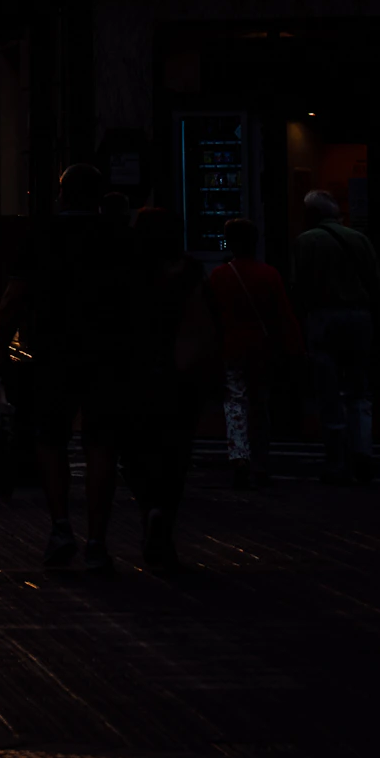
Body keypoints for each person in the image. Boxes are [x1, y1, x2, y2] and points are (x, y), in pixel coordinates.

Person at [0, 160, 134, 574]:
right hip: (107, 353)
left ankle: (60, 527)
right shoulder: (118, 237)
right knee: (101, 443)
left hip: (53, 351)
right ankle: (97, 541)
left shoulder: (42, 236)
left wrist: (1, 350)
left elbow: (13, 298)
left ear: (61, 194)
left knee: (50, 438)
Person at [124, 206, 219, 572]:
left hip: (135, 371)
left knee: (135, 449)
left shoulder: (128, 271)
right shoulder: (190, 271)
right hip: (180, 375)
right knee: (175, 451)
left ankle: (147, 505)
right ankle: (164, 514)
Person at [293, 187, 380, 484]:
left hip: (323, 316)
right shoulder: (359, 239)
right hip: (358, 316)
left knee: (328, 391)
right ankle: (363, 452)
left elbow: (300, 286)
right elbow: (376, 282)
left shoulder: (306, 241)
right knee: (359, 389)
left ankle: (336, 460)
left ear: (311, 214)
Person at [205, 217, 302, 489]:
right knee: (260, 403)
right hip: (261, 346)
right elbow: (282, 314)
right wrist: (294, 348)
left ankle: (239, 455)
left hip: (231, 345)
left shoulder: (219, 275)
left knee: (234, 401)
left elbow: (212, 316)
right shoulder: (269, 274)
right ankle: (260, 461)